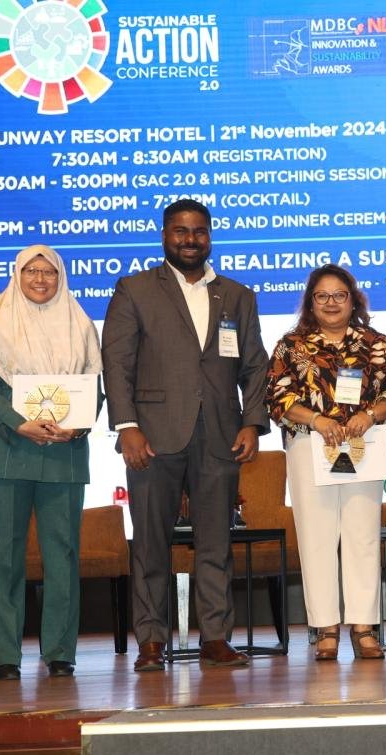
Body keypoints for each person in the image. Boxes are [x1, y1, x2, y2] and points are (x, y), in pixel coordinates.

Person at [102, 199, 270, 672]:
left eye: (199, 231)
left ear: (210, 236)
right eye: (180, 231)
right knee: (150, 543)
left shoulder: (237, 295)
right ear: (164, 235)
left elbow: (255, 364)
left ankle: (215, 638)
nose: (190, 240)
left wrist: (252, 421)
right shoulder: (135, 289)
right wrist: (127, 426)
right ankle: (152, 641)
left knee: (216, 542)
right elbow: (117, 363)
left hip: (220, 434)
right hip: (152, 437)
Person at [0, 244, 103, 680]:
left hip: (64, 453)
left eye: (49, 272)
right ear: (17, 275)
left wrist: (77, 426)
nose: (40, 280)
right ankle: (5, 655)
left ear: (61, 277)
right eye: (31, 271)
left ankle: (60, 652)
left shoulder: (81, 325)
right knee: (3, 557)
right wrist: (19, 423)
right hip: (7, 452)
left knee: (63, 555)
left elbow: (95, 390)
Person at [266, 265, 386, 661]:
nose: (331, 303)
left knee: (363, 535)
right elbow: (276, 397)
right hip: (309, 446)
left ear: (353, 299)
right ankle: (325, 628)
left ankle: (364, 627)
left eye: (339, 295)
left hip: (364, 446)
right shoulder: (290, 345)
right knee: (316, 537)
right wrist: (317, 419)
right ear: (311, 302)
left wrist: (371, 414)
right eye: (322, 296)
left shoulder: (376, 343)